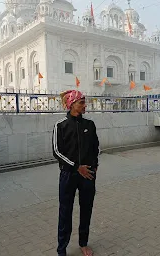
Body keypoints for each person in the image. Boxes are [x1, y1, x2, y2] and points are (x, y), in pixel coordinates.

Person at [52, 90, 99, 256]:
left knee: (86, 209)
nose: (85, 105)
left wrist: (94, 166)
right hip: (68, 175)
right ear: (72, 104)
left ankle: (83, 243)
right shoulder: (60, 125)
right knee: (65, 211)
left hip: (88, 175)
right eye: (81, 102)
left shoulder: (90, 125)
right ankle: (62, 248)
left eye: (84, 102)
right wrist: (76, 167)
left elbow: (96, 147)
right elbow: (57, 152)